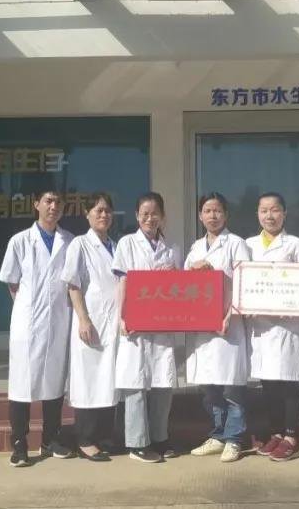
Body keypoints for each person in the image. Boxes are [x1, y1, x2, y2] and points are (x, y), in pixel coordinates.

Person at [0, 190, 76, 467]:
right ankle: (19, 444)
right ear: (36, 205)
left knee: (54, 382)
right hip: (28, 323)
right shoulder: (20, 241)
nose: (53, 206)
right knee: (22, 384)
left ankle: (51, 439)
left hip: (58, 321)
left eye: (58, 202)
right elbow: (12, 283)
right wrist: (29, 308)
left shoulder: (70, 241)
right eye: (48, 201)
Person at [112, 192, 182, 463]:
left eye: (154, 214)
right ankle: (137, 443)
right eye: (144, 214)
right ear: (137, 216)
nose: (149, 218)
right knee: (135, 382)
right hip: (136, 323)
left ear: (162, 216)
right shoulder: (127, 243)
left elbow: (179, 287)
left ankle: (160, 438)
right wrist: (122, 317)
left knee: (163, 382)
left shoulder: (171, 247)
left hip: (162, 324)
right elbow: (123, 282)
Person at [184, 192, 252, 463]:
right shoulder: (195, 248)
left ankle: (234, 439)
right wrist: (192, 270)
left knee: (231, 387)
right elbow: (183, 289)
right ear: (200, 216)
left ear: (226, 215)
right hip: (202, 329)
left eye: (218, 211)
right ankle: (217, 435)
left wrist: (229, 316)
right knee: (209, 386)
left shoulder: (236, 244)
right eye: (207, 211)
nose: (213, 216)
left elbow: (245, 284)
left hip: (227, 326)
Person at [245, 192, 299, 462]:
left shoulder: (295, 244)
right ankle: (275, 432)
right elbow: (242, 280)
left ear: (284, 213)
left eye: (274, 210)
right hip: (260, 325)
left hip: (286, 325)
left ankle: (291, 435)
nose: (269, 216)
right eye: (264, 210)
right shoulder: (249, 245)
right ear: (257, 214)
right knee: (268, 382)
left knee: (289, 380)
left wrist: (294, 306)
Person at [61, 193, 120, 462]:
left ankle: (104, 436)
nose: (103, 215)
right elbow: (73, 284)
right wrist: (83, 319)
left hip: (112, 324)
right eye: (98, 210)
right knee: (88, 380)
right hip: (91, 323)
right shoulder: (79, 244)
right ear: (87, 214)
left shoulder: (115, 246)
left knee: (108, 380)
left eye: (107, 210)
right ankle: (85, 439)